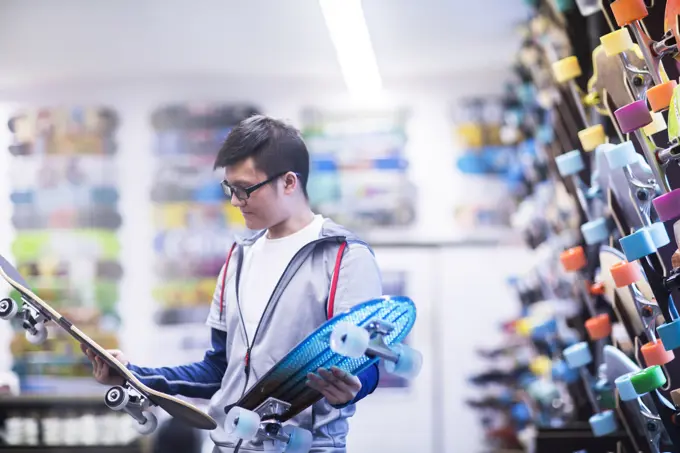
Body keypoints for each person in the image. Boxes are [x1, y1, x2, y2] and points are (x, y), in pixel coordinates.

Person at [82, 114, 384, 453]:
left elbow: (370, 360)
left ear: (288, 182)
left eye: (245, 189)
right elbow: (219, 370)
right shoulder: (240, 257)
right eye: (230, 188)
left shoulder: (345, 257)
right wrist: (134, 375)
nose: (235, 201)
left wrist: (355, 387)